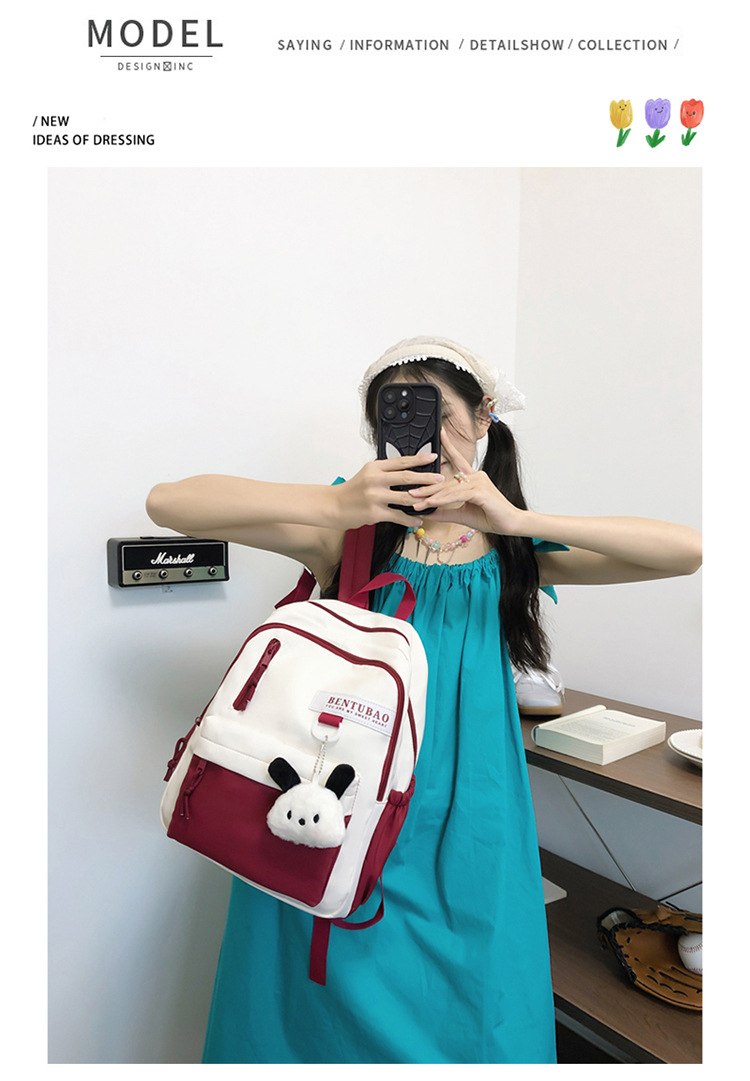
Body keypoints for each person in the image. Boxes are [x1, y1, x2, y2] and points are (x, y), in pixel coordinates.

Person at [146, 336, 702, 1064]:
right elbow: (169, 503)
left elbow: (686, 550)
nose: (424, 437)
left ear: (484, 418)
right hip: (345, 796)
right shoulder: (350, 531)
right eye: (398, 414)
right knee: (316, 994)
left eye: (439, 415)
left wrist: (517, 520)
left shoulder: (512, 551)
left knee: (473, 997)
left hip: (472, 806)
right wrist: (336, 500)